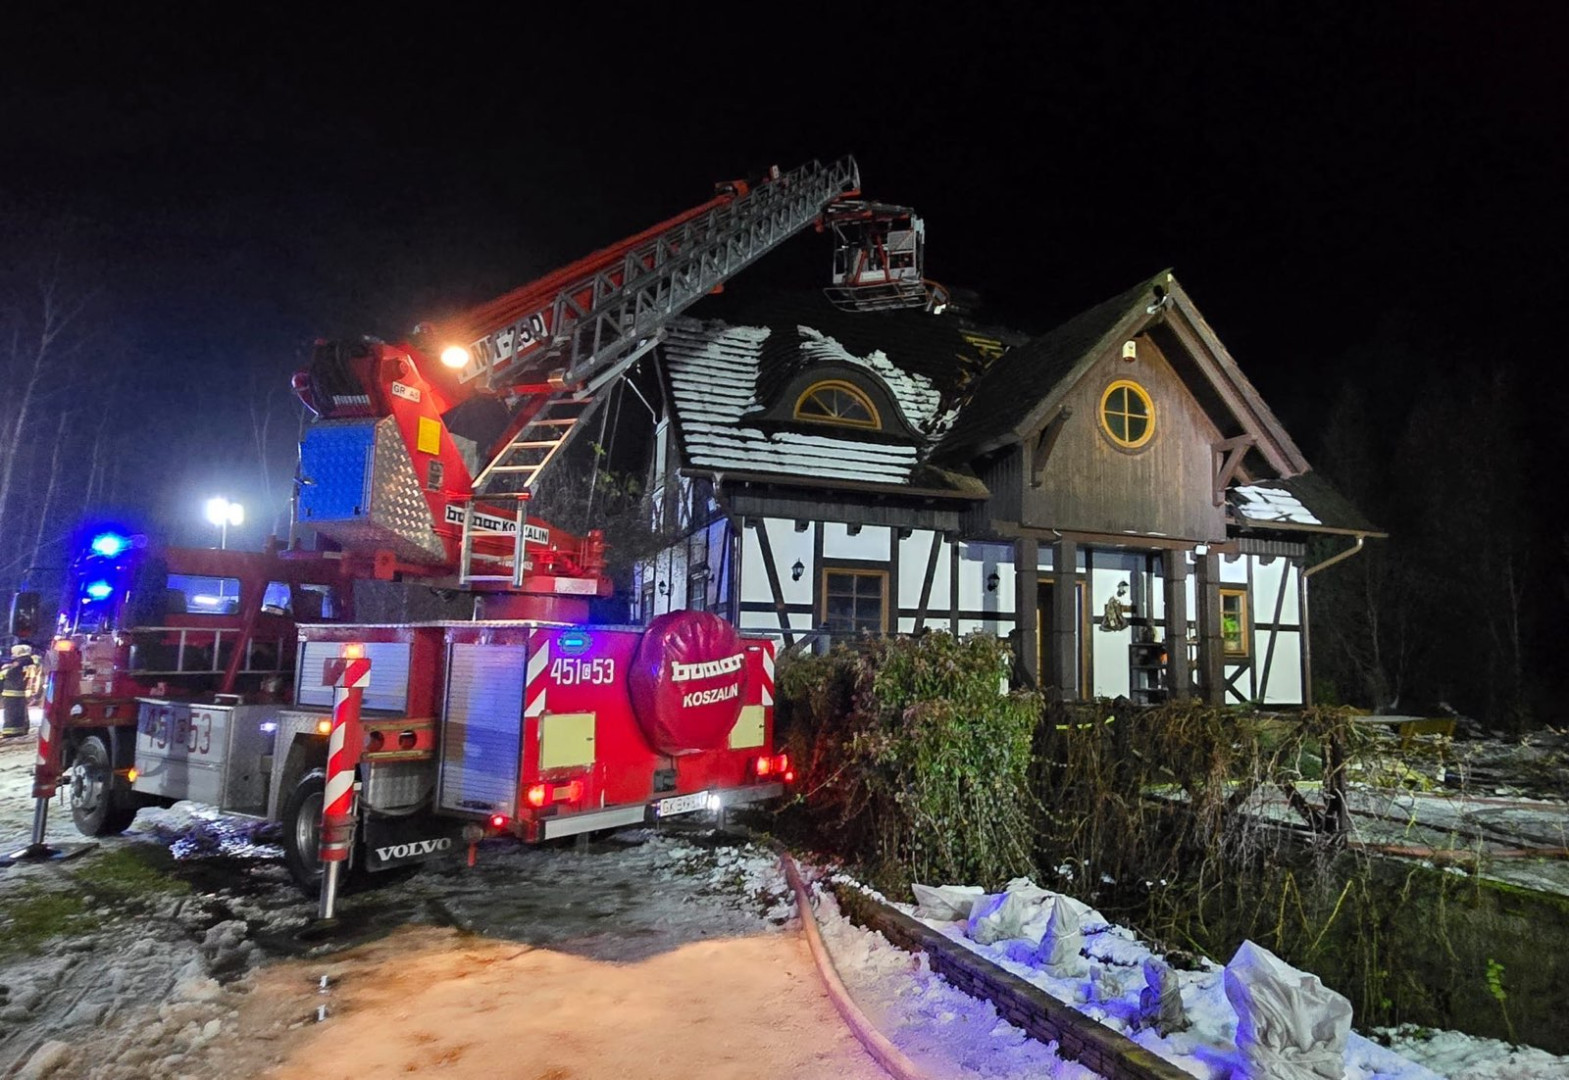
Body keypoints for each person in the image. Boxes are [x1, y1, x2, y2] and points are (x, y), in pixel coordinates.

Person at [2, 643, 39, 737]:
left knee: (11, 712)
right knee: (20, 712)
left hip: (11, 691)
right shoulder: (28, 662)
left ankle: (10, 731)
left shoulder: (18, 663)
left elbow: (7, 675)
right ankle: (21, 729)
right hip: (19, 691)